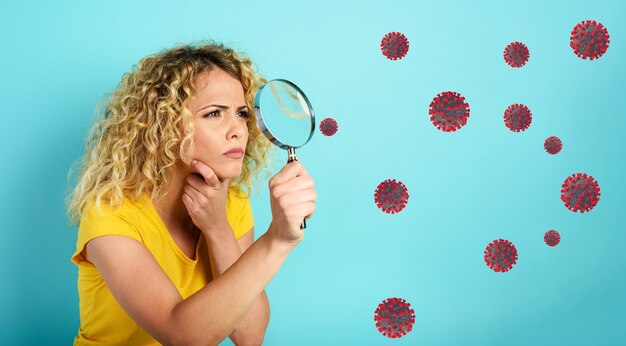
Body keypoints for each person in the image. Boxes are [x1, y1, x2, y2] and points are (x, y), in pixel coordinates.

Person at [66, 41, 317, 345]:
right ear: (164, 125)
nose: (237, 129)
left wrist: (218, 228)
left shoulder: (232, 203)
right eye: (214, 114)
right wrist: (277, 239)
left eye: (241, 113)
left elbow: (249, 335)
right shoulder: (111, 213)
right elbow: (182, 336)